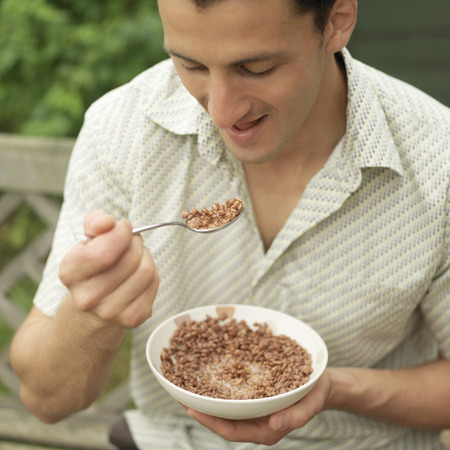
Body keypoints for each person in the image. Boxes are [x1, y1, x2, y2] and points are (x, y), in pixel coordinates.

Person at [10, 0, 450, 448]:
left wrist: (335, 388)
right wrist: (91, 315)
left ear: (337, 21)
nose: (220, 112)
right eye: (190, 65)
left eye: (256, 68)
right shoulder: (122, 130)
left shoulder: (437, 160)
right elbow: (47, 401)